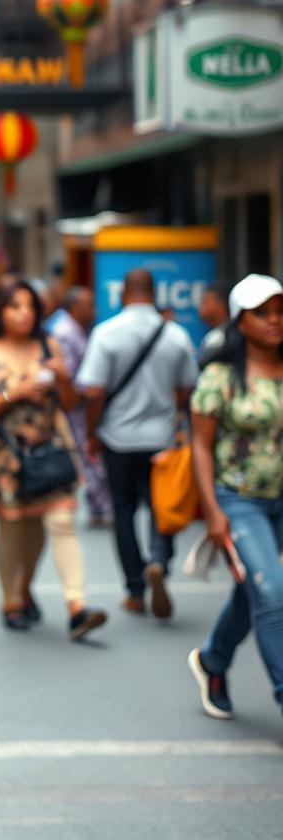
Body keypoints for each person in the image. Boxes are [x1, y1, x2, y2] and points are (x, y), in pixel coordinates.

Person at [0, 278, 106, 640]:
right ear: (0, 311)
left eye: (30, 306)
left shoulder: (49, 345)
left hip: (51, 447)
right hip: (4, 454)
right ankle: (13, 598)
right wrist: (16, 393)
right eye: (15, 306)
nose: (24, 314)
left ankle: (77, 607)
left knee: (59, 521)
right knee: (16, 525)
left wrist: (64, 379)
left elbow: (70, 404)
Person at [188, 274, 283, 721]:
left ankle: (213, 661)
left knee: (254, 591)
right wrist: (212, 511)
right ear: (239, 320)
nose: (274, 320)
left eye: (280, 310)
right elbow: (201, 447)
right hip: (240, 499)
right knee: (273, 594)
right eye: (262, 313)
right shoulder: (220, 375)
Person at [78, 269, 198, 618]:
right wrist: (174, 415)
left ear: (123, 294)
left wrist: (91, 432)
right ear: (154, 293)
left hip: (118, 438)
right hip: (161, 438)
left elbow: (94, 391)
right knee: (164, 505)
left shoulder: (106, 333)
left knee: (124, 511)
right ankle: (159, 560)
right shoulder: (175, 335)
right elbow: (188, 385)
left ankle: (135, 588)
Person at [48, 287, 113, 527]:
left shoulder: (77, 330)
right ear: (75, 307)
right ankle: (96, 503)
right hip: (75, 405)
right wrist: (90, 390)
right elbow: (69, 376)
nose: (93, 311)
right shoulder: (65, 333)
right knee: (85, 453)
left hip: (82, 403)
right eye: (89, 305)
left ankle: (98, 503)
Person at [197, 280, 232, 369]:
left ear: (221, 304)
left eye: (205, 302)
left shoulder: (217, 339)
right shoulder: (214, 336)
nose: (200, 307)